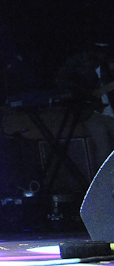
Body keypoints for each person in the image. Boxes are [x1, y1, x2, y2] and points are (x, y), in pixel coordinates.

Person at [55, 42, 114, 174]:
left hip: (110, 111)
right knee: (103, 149)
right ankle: (102, 187)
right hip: (91, 111)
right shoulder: (78, 62)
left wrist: (105, 88)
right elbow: (62, 82)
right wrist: (85, 95)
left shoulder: (108, 62)